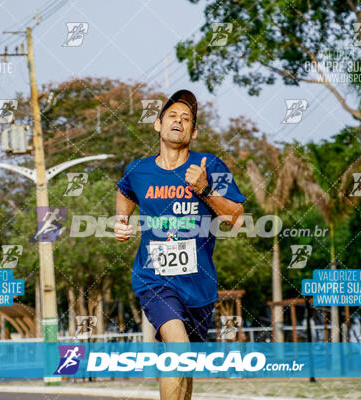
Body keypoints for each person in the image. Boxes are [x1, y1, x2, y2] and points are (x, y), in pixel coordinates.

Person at [115, 89, 245, 400]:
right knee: (177, 347)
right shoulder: (138, 170)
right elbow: (125, 192)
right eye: (172, 116)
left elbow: (236, 218)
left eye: (186, 119)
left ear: (194, 131)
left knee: (186, 365)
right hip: (154, 278)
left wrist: (204, 190)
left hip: (199, 285)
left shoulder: (210, 165)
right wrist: (121, 221)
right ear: (157, 125)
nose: (179, 121)